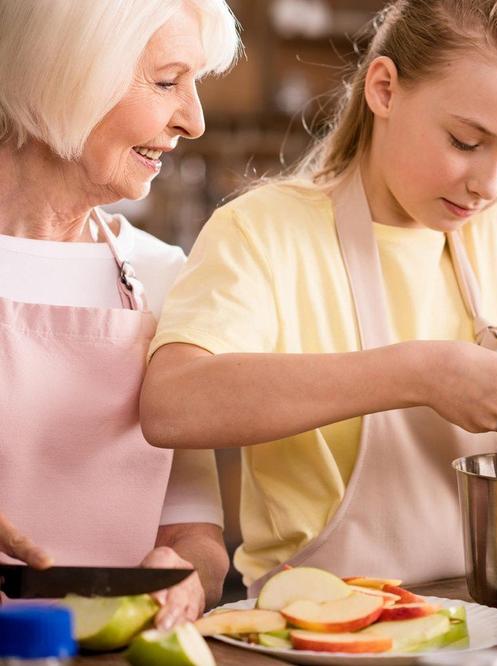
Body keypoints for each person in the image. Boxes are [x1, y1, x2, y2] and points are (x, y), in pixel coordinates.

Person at [139, 0, 497, 590]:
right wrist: (417, 374)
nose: (490, 185)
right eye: (467, 141)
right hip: (314, 633)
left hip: (483, 631)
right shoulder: (263, 231)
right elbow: (172, 403)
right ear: (385, 89)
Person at [0, 0, 240, 626]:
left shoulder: (162, 274)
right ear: (65, 73)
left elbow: (198, 540)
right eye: (167, 82)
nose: (194, 119)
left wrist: (184, 578)